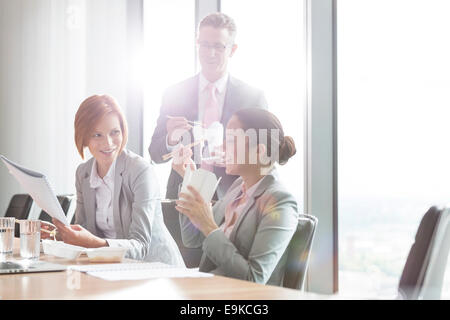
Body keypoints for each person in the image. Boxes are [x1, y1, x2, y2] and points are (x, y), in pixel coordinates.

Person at [148, 12, 268, 267]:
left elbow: (266, 158)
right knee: (180, 277)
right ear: (196, 43)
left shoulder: (253, 98)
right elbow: (155, 153)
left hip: (233, 202)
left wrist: (239, 157)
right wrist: (170, 137)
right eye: (205, 45)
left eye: (218, 46)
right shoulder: (175, 93)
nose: (210, 53)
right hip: (184, 198)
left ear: (232, 49)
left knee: (225, 275)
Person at [44, 94, 184, 266]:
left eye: (114, 132)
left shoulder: (140, 170)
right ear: (84, 138)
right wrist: (57, 234)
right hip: (111, 268)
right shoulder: (83, 173)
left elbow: (140, 247)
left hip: (155, 270)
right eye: (97, 135)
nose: (108, 143)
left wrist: (96, 243)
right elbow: (84, 231)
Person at [173, 108, 298, 285]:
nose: (222, 146)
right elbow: (192, 238)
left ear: (259, 151)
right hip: (211, 291)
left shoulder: (280, 202)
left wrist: (209, 226)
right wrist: (189, 179)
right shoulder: (239, 186)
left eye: (231, 140)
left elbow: (253, 279)